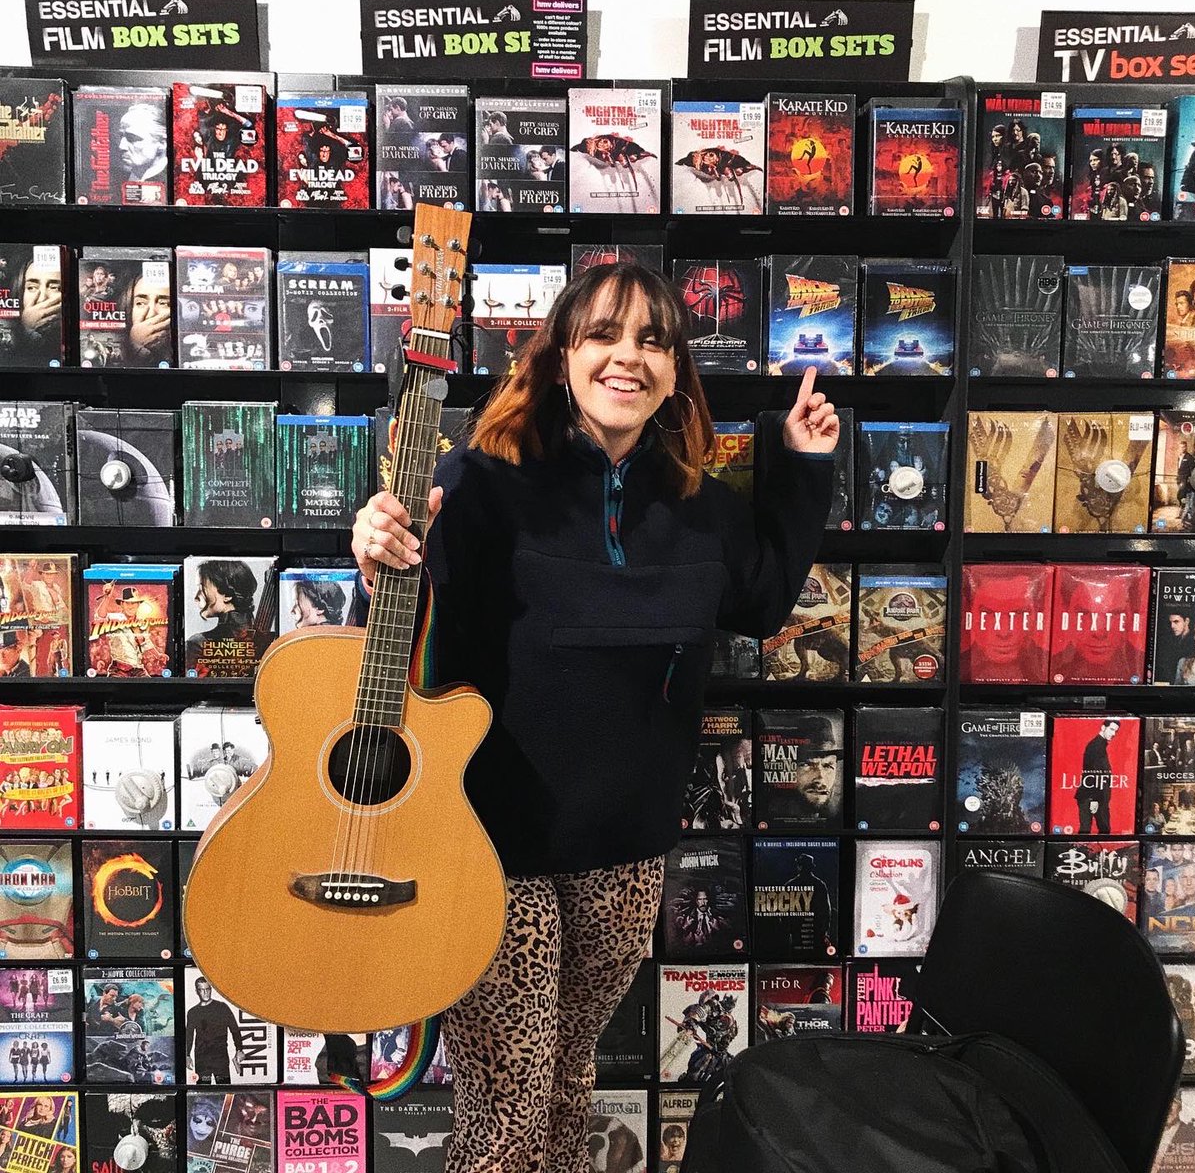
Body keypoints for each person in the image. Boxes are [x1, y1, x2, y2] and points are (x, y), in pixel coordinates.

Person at [350, 262, 836, 1171]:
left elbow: (763, 603)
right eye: (606, 335)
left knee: (571, 1085)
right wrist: (375, 551)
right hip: (491, 852)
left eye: (654, 341)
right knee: (508, 1113)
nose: (630, 358)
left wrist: (806, 470)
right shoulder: (483, 479)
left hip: (625, 856)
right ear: (561, 354)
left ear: (676, 367)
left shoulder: (702, 504)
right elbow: (400, 605)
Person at [184, 975, 244, 1084]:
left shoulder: (222, 1007)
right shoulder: (193, 1012)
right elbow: (189, 1035)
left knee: (224, 1089)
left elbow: (234, 1029)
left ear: (211, 989)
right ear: (197, 991)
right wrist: (187, 1055)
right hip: (202, 1057)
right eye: (201, 990)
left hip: (220, 1057)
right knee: (203, 1090)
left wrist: (239, 1049)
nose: (205, 992)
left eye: (207, 989)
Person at [1076, 718, 1120, 834]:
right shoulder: (1096, 746)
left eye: (1116, 731)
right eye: (1111, 729)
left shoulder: (1100, 745)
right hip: (1092, 796)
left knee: (1102, 830)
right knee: (1087, 831)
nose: (1113, 734)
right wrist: (1095, 799)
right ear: (1103, 727)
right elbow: (1092, 773)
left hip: (1097, 796)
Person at [117, 101, 168, 184]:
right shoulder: (113, 182)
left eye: (132, 138)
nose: (121, 146)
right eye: (121, 136)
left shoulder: (179, 182)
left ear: (162, 143)